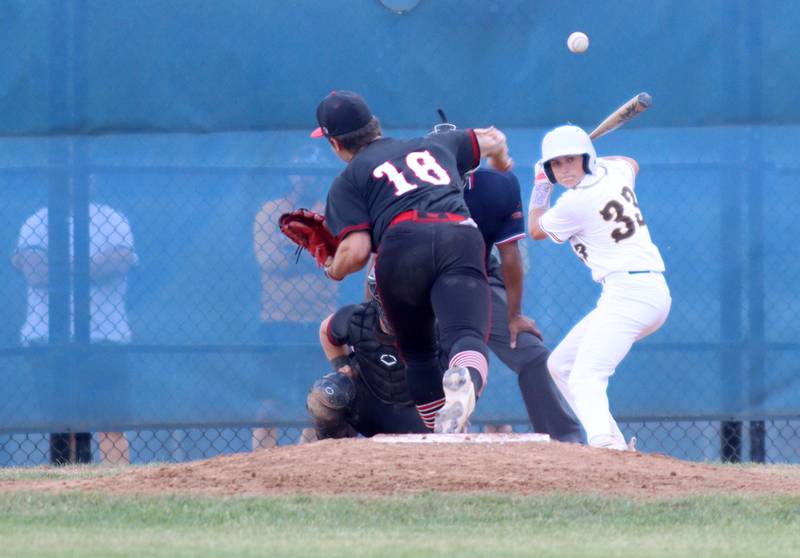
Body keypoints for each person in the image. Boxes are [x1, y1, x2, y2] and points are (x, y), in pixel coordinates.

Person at [312, 90, 512, 433]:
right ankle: (465, 380)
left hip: (402, 247)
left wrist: (333, 268)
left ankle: (441, 428)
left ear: (335, 145)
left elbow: (357, 252)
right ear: (375, 125)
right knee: (465, 335)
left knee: (418, 354)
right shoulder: (435, 146)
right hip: (457, 234)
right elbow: (492, 138)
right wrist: (502, 160)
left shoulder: (348, 180)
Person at [527, 124, 671, 450]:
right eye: (556, 163)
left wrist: (540, 185)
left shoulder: (574, 203)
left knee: (586, 376)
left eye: (571, 160)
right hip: (637, 291)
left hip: (631, 293)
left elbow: (535, 228)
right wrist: (588, 155)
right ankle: (617, 445)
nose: (563, 169)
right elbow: (629, 161)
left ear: (586, 159)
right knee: (560, 364)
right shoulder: (615, 172)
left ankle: (604, 445)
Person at [13, 190, 137, 465]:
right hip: (47, 341)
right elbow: (35, 274)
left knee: (112, 425)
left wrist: (57, 265)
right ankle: (68, 485)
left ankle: (119, 488)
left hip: (106, 338)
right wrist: (88, 265)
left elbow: (120, 260)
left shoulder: (112, 219)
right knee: (62, 424)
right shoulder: (37, 222)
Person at [252, 145, 338, 448]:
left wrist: (295, 252)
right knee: (269, 402)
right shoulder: (271, 212)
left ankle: (307, 460)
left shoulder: (329, 213)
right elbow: (269, 261)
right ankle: (261, 464)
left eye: (312, 171)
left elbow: (337, 260)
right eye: (300, 170)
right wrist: (314, 252)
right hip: (277, 321)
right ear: (290, 174)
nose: (305, 178)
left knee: (320, 398)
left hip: (319, 322)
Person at [308, 269, 428, 438]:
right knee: (326, 395)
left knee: (445, 405)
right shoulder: (357, 318)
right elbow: (325, 331)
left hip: (418, 414)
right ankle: (336, 457)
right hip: (369, 405)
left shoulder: (432, 323)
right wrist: (342, 365)